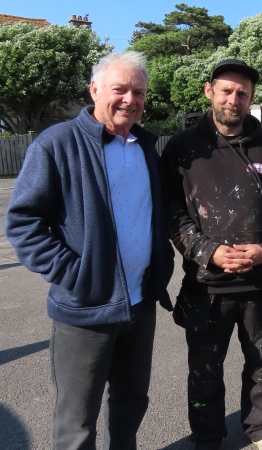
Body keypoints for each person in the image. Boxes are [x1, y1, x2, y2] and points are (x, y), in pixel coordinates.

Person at [4, 51, 175, 450]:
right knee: (77, 420)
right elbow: (24, 223)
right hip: (86, 308)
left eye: (139, 92)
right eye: (120, 89)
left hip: (139, 303)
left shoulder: (144, 146)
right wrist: (75, 274)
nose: (130, 100)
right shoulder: (57, 143)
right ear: (95, 89)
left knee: (131, 404)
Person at [160, 59, 262, 450]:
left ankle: (260, 430)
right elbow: (170, 211)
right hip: (206, 286)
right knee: (204, 372)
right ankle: (206, 436)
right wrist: (209, 252)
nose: (233, 99)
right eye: (226, 91)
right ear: (209, 91)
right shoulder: (182, 148)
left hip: (261, 284)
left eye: (242, 93)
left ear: (251, 99)